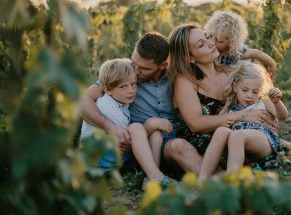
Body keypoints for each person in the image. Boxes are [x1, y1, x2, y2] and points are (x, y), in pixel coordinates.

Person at [79, 32, 203, 185]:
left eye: (143, 68)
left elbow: (214, 54)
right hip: (137, 146)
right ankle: (154, 177)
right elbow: (84, 100)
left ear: (163, 65)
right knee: (160, 133)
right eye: (133, 62)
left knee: (180, 147)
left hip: (167, 145)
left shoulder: (176, 74)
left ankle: (225, 183)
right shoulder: (125, 73)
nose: (135, 72)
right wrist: (110, 127)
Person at [168, 23, 276, 170]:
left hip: (233, 140)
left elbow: (260, 99)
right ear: (189, 58)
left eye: (207, 37)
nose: (211, 43)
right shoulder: (185, 80)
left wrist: (269, 119)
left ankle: (230, 178)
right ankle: (225, 181)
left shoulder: (231, 71)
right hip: (201, 148)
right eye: (201, 45)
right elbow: (196, 124)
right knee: (175, 146)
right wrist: (243, 115)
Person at [199, 62, 288, 177]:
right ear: (235, 87)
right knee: (221, 131)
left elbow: (283, 116)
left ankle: (231, 184)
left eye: (255, 91)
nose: (250, 95)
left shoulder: (263, 101)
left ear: (260, 91)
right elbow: (222, 127)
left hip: (263, 141)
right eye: (245, 90)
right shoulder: (231, 107)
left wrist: (277, 102)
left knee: (237, 135)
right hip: (238, 144)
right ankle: (202, 181)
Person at [204, 10, 278, 75]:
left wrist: (272, 65)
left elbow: (257, 53)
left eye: (219, 41)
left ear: (231, 43)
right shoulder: (212, 49)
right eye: (212, 36)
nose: (213, 42)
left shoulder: (237, 52)